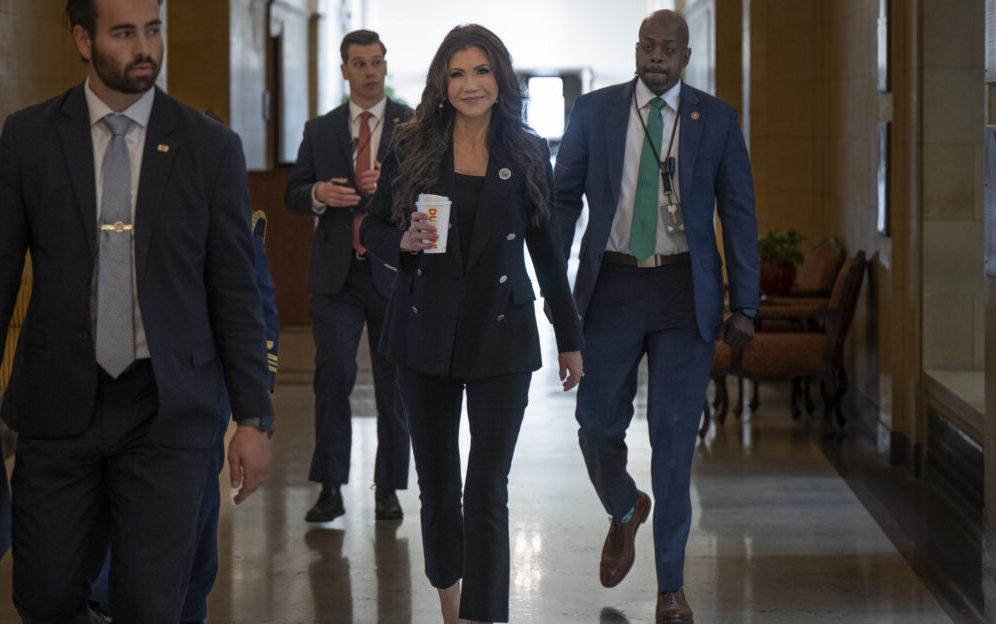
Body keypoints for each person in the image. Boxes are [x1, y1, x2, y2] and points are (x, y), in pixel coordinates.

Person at [0, 0, 274, 621]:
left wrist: (253, 418)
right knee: (44, 593)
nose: (144, 47)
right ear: (82, 40)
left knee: (152, 601)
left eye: (152, 30)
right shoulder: (31, 138)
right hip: (58, 404)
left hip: (167, 408)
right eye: (123, 33)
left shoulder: (209, 146)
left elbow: (235, 290)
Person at [360, 24, 584, 624]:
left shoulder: (528, 150)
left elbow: (548, 252)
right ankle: (451, 605)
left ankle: (487, 617)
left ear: (500, 78)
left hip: (501, 338)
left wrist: (569, 338)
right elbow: (372, 229)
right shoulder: (410, 145)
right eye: (457, 73)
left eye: (481, 71)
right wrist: (403, 239)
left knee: (485, 488)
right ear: (442, 82)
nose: (470, 85)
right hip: (423, 333)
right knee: (437, 486)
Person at [552, 9, 759, 623]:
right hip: (611, 285)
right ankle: (624, 507)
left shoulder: (716, 119)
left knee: (673, 444)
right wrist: (555, 290)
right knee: (595, 424)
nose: (656, 56)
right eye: (648, 45)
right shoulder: (594, 112)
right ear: (636, 49)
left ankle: (671, 586)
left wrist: (745, 302)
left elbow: (739, 213)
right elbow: (564, 200)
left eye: (669, 48)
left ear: (685, 56)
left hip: (683, 293)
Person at [88, 209, 280, 624]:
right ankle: (101, 603)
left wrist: (257, 410)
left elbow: (257, 310)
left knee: (194, 541)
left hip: (198, 400)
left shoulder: (228, 210)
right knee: (111, 515)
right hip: (114, 391)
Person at [285, 30, 414, 523]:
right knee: (333, 377)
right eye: (359, 63)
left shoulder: (410, 125)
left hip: (391, 270)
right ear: (344, 70)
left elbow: (429, 188)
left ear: (385, 66)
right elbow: (293, 192)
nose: (369, 71)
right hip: (336, 278)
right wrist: (319, 193)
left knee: (394, 385)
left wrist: (392, 191)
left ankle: (388, 489)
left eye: (377, 62)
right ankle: (332, 489)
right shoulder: (320, 129)